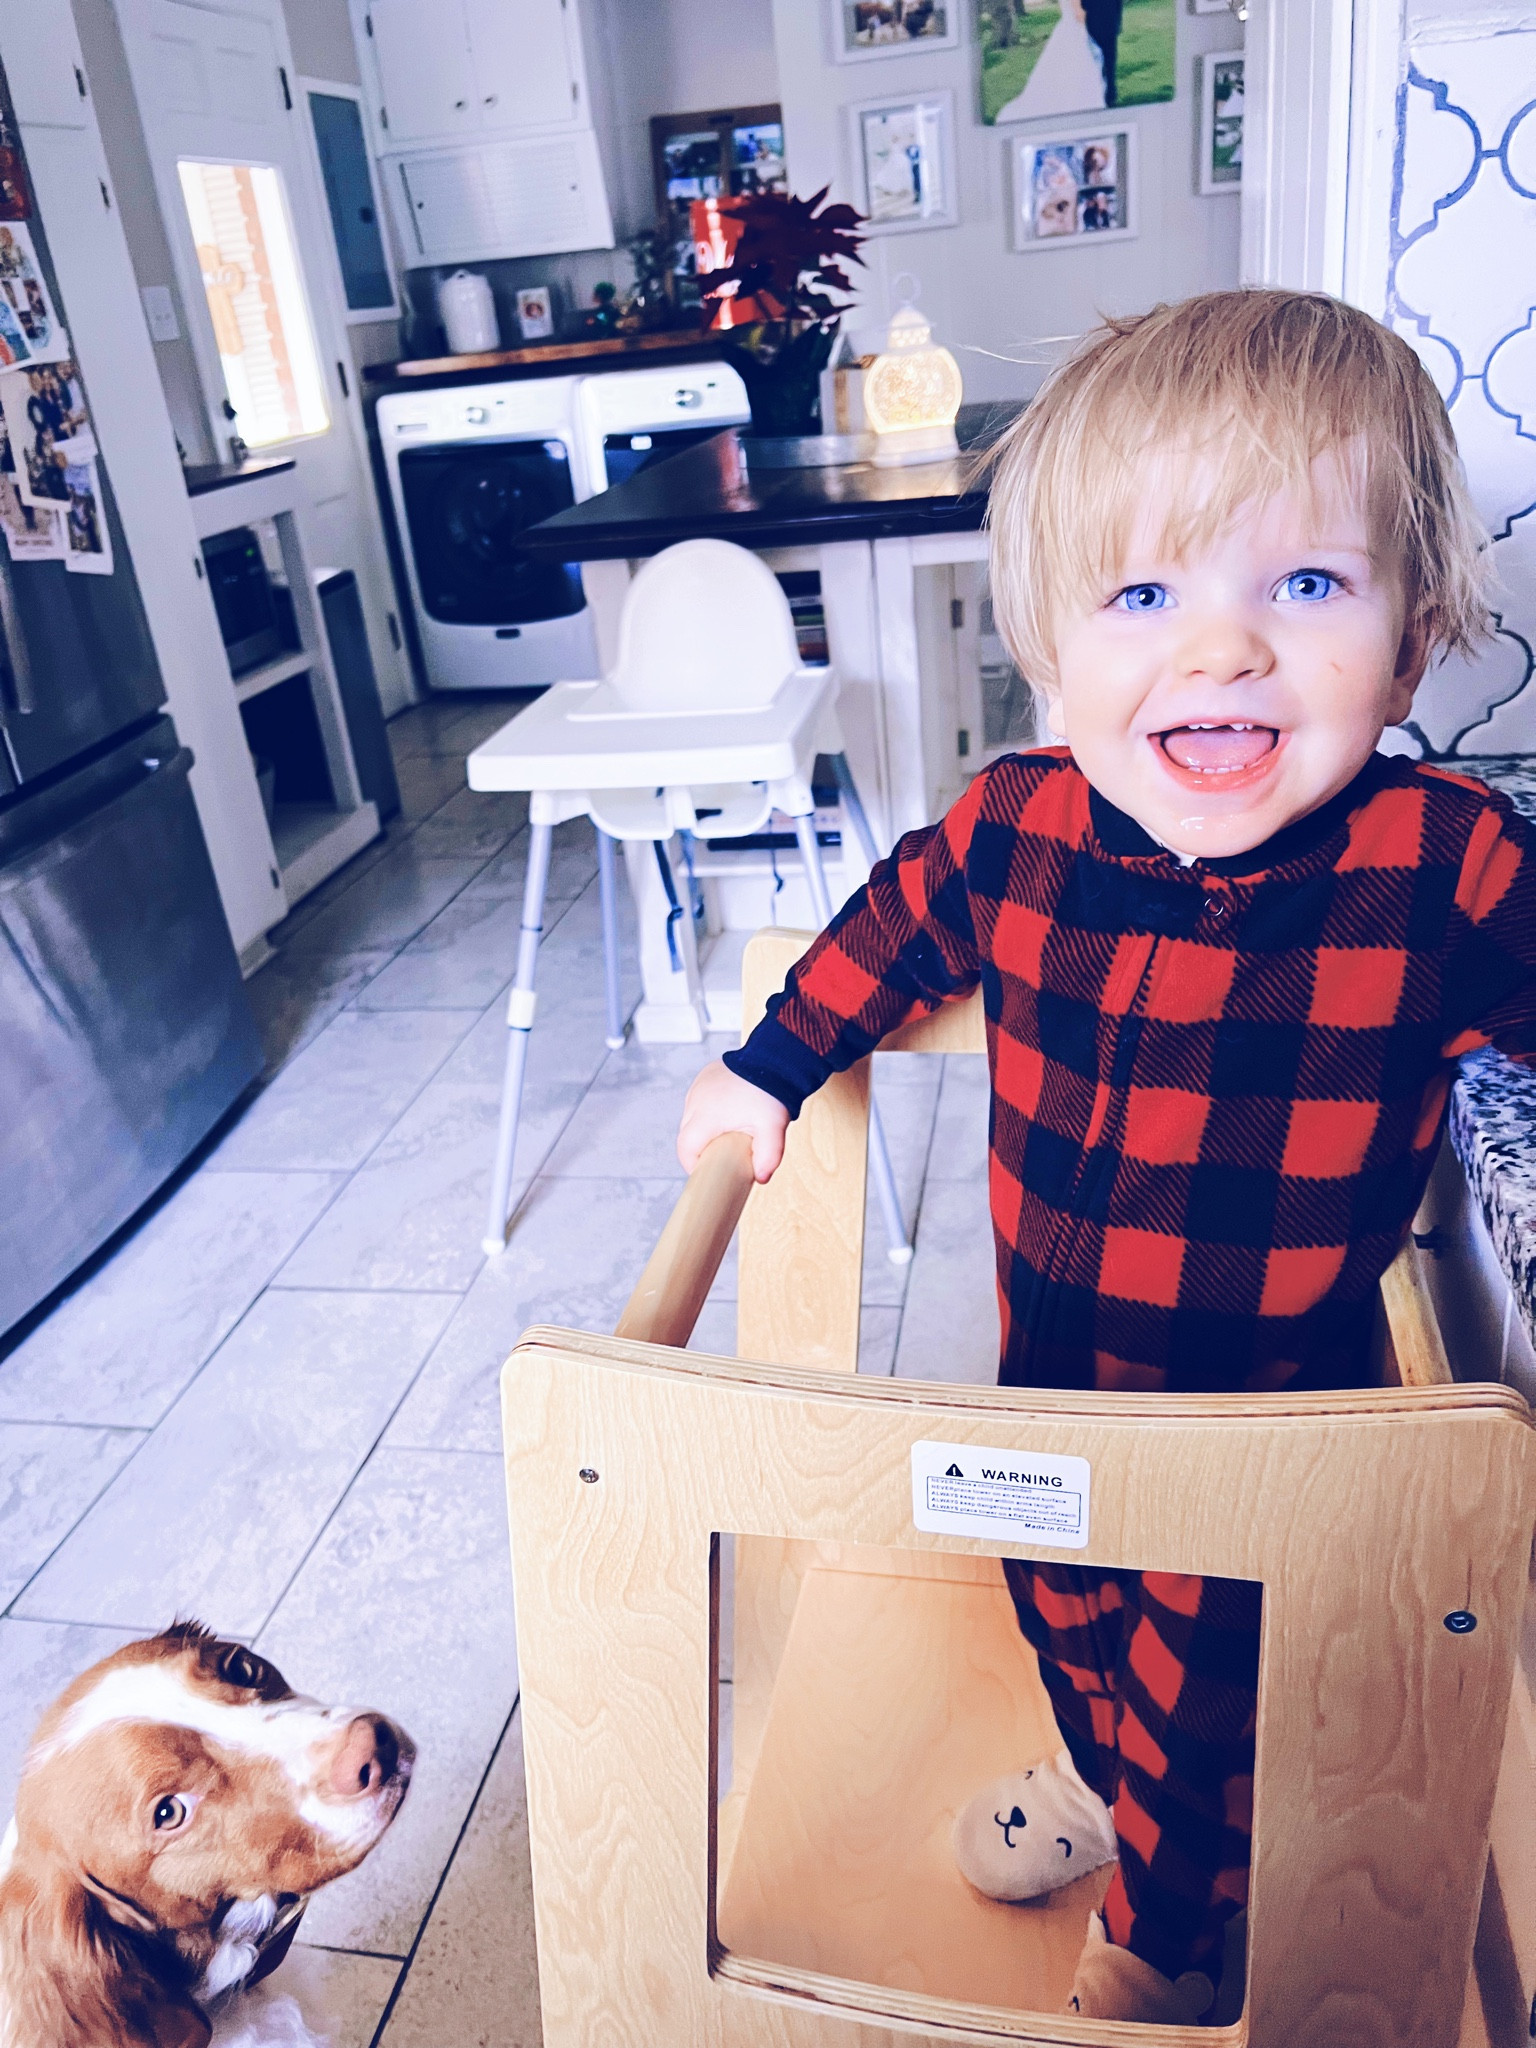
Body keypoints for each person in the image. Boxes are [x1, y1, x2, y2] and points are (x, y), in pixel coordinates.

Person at [675, 289, 1536, 2022]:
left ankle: (1175, 1929)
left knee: (1213, 1701)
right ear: (1051, 653)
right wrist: (770, 1061)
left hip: (1257, 1440)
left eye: (1305, 585)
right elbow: (886, 929)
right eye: (1144, 595)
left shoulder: (1447, 870)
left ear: (1416, 632)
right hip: (1048, 1394)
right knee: (1062, 1620)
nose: (1219, 652)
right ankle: (1101, 1788)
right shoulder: (1016, 827)